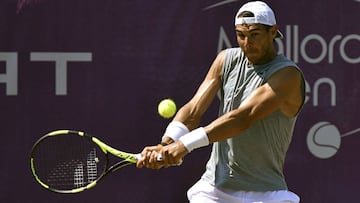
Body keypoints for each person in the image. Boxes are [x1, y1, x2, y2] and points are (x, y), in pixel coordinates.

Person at [136, 1, 305, 203]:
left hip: (267, 194)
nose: (247, 43)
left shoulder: (288, 75)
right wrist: (167, 144)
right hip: (214, 189)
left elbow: (243, 117)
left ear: (273, 32)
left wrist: (185, 145)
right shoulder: (225, 60)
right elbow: (193, 110)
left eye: (255, 35)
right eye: (241, 35)